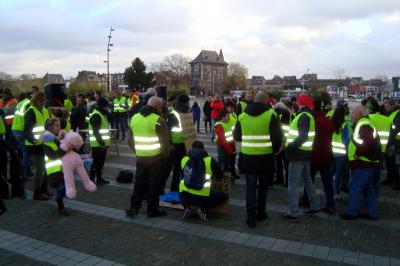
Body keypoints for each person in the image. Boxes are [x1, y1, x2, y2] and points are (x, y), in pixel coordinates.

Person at [234, 92, 283, 228]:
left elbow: (237, 136)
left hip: (248, 158)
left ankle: (250, 218)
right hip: (265, 158)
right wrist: (273, 151)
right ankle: (261, 214)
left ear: (254, 101)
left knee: (250, 189)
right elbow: (277, 138)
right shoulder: (270, 115)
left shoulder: (242, 116)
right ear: (265, 101)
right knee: (263, 188)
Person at [126, 96, 170, 218]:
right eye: (161, 106)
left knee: (139, 183)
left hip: (140, 158)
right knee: (154, 185)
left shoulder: (135, 118)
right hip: (156, 158)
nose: (162, 109)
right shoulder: (159, 120)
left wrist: (137, 151)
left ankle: (134, 208)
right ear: (156, 107)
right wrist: (165, 157)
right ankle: (152, 210)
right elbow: (165, 143)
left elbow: (129, 139)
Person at [283, 94, 320, 222]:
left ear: (301, 103)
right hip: (305, 154)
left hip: (297, 154)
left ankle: (293, 212)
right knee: (307, 181)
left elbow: (302, 137)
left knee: (293, 183)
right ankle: (315, 206)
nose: (296, 104)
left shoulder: (304, 116)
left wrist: (289, 147)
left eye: (298, 102)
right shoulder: (309, 115)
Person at [340, 106, 380, 220]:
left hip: (363, 163)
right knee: (368, 189)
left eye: (354, 112)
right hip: (368, 163)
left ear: (359, 114)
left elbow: (368, 141)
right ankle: (372, 213)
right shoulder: (365, 122)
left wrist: (358, 153)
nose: (352, 114)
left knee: (355, 187)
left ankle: (352, 212)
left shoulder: (364, 123)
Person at [302, 100, 335, 214]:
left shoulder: (312, 121)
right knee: (327, 182)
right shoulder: (328, 120)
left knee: (308, 180)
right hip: (327, 155)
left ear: (312, 108)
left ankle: (307, 199)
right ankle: (330, 204)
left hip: (313, 156)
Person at [179, 141, 228, 219]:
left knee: (184, 194)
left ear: (192, 148)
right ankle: (203, 208)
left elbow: (182, 175)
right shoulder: (209, 160)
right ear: (203, 149)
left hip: (184, 196)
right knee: (224, 196)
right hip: (203, 198)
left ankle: (187, 208)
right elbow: (220, 175)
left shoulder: (184, 159)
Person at [24, 92, 50, 200]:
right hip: (34, 145)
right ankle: (36, 192)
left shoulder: (44, 110)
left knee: (47, 168)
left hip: (44, 143)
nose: (44, 102)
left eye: (44, 100)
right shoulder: (31, 111)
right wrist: (33, 140)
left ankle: (44, 189)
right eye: (42, 100)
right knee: (39, 169)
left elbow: (47, 125)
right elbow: (27, 130)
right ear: (36, 100)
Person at [162, 94, 190, 192]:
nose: (189, 104)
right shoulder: (173, 114)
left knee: (178, 169)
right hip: (174, 146)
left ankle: (174, 189)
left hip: (182, 145)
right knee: (168, 169)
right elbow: (167, 131)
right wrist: (170, 144)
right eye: (188, 102)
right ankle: (159, 188)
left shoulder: (185, 113)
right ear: (185, 103)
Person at [41, 118, 68, 216]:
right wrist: (64, 150)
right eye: (56, 126)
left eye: (59, 125)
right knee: (60, 188)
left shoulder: (57, 139)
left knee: (64, 189)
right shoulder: (47, 141)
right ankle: (61, 207)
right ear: (50, 128)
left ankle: (59, 199)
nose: (59, 128)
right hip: (53, 171)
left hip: (61, 169)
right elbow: (52, 155)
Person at [367, 99, 392, 197]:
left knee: (369, 175)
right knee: (377, 176)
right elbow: (391, 135)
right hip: (383, 150)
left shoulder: (368, 118)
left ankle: (368, 197)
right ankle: (375, 195)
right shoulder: (388, 120)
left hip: (371, 150)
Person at [88, 97, 110, 185]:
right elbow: (96, 132)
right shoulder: (97, 115)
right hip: (98, 145)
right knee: (96, 163)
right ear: (103, 106)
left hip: (101, 144)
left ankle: (99, 178)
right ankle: (91, 180)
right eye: (106, 107)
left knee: (100, 163)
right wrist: (102, 144)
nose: (107, 108)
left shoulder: (101, 114)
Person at [330, 106, 350, 201]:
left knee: (330, 172)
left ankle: (328, 190)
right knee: (338, 174)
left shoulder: (330, 123)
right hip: (341, 153)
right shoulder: (344, 125)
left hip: (331, 151)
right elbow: (346, 140)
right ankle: (336, 193)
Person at [11, 93, 32, 178]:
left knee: (23, 153)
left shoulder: (20, 103)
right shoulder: (28, 103)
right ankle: (25, 173)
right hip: (21, 130)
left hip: (15, 129)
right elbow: (28, 119)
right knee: (26, 153)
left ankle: (22, 171)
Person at [274, 97, 292, 186]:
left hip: (282, 144)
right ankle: (286, 180)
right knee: (286, 164)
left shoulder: (281, 116)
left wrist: (280, 146)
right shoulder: (289, 113)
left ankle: (280, 179)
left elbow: (283, 133)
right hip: (285, 144)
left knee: (280, 163)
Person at [383, 99, 400, 189]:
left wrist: (388, 143)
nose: (386, 108)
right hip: (390, 141)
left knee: (393, 163)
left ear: (392, 105)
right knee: (389, 162)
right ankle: (389, 179)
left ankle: (397, 182)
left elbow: (395, 129)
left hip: (395, 142)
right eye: (385, 107)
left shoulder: (398, 113)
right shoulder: (390, 113)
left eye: (387, 107)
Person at [225, 100, 239, 179]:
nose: (230, 108)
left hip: (234, 140)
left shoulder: (234, 115)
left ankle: (233, 173)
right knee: (228, 159)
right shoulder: (226, 116)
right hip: (228, 140)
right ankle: (229, 175)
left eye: (232, 107)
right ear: (226, 107)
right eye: (228, 107)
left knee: (233, 158)